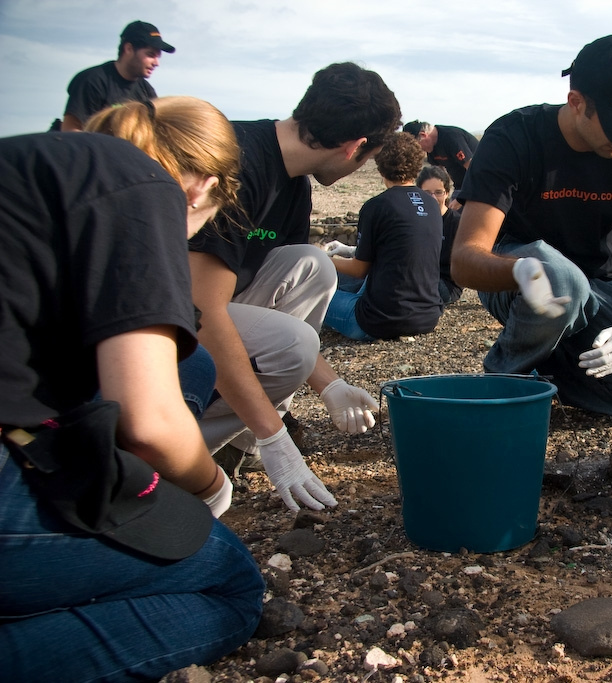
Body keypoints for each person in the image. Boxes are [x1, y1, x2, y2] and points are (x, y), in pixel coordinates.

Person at [0, 98, 264, 680]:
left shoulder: (40, 164)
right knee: (228, 583)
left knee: (192, 365)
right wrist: (208, 485)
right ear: (204, 188)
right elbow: (149, 422)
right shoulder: (146, 186)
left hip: (27, 422)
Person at [187, 62, 402, 511]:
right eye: (366, 159)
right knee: (292, 343)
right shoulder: (238, 162)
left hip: (203, 313)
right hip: (154, 319)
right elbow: (202, 311)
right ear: (355, 147)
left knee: (313, 264)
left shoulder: (294, 184)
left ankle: (237, 441)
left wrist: (330, 386)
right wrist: (275, 436)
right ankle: (179, 456)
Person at [451, 35, 612, 420]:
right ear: (576, 103)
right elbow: (464, 260)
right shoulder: (513, 137)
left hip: (601, 286)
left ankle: (546, 373)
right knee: (560, 278)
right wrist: (520, 271)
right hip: (517, 278)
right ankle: (504, 379)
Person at [323, 132, 444, 340]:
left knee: (306, 290)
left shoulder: (376, 206)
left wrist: (321, 258)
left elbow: (359, 269)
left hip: (378, 322)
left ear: (380, 166)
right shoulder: (431, 204)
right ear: (417, 165)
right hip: (428, 316)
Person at [54, 21, 174, 132]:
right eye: (150, 55)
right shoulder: (92, 81)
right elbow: (71, 131)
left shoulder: (147, 91)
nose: (156, 63)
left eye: (158, 57)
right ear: (128, 49)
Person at [417, 164, 464, 305]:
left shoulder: (456, 223)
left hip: (444, 283)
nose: (433, 198)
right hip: (418, 275)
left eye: (438, 192)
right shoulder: (415, 219)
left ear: (447, 193)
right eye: (427, 193)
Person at [401, 119, 478, 203]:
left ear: (423, 135)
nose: (419, 150)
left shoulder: (452, 138)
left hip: (478, 184)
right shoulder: (431, 148)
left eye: (417, 146)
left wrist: (463, 198)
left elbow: (474, 169)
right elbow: (438, 176)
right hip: (459, 186)